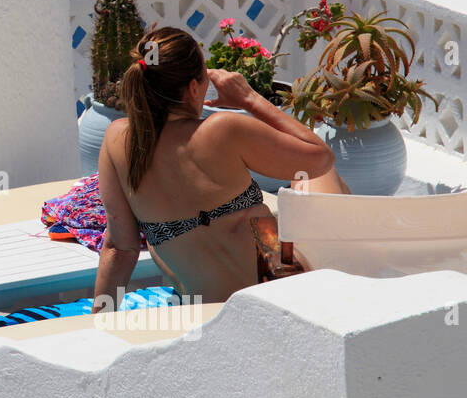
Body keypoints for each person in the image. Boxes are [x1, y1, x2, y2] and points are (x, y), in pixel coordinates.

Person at [92, 26, 350, 309]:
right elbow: (321, 158)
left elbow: (119, 249)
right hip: (279, 300)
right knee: (316, 176)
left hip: (209, 316)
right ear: (193, 87)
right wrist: (248, 98)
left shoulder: (118, 140)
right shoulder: (222, 129)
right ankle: (355, 277)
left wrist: (101, 326)